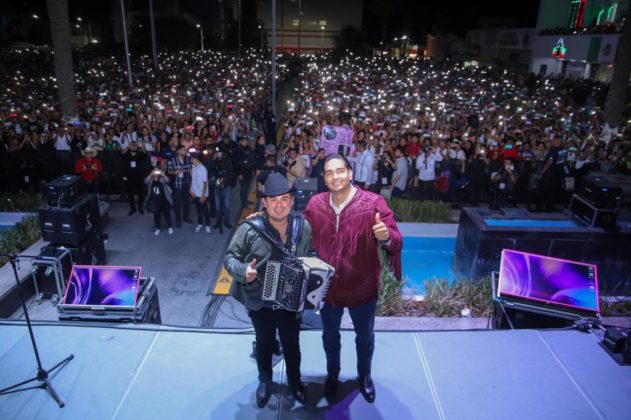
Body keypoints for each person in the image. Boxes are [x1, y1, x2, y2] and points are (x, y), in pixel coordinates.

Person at [302, 153, 402, 404]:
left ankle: (364, 375)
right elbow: (299, 233)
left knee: (364, 337)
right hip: (328, 288)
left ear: (350, 173)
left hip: (362, 286)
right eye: (329, 173)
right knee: (330, 337)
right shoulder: (315, 204)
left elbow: (397, 240)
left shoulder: (373, 203)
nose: (335, 176)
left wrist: (385, 236)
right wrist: (267, 221)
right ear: (324, 178)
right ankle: (332, 375)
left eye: (340, 171)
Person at [225, 173, 312, 408]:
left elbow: (308, 256)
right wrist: (243, 271)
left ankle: (295, 382)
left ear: (292, 201)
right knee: (263, 342)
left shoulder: (303, 227)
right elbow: (230, 258)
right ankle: (265, 381)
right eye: (273, 199)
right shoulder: (249, 229)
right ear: (264, 202)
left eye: (284, 199)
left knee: (292, 344)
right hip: (260, 301)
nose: (279, 205)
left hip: (290, 300)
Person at [166, 145, 193, 227]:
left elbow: (191, 171)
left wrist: (192, 182)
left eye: (185, 150)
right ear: (178, 151)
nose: (185, 151)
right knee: (177, 203)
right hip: (178, 185)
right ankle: (178, 220)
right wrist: (175, 172)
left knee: (186, 203)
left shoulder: (188, 159)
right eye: (184, 150)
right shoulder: (172, 160)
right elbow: (169, 171)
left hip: (187, 184)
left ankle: (186, 217)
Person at [121, 142, 149, 215]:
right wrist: (127, 147)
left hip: (139, 176)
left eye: (135, 146)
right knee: (130, 193)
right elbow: (122, 153)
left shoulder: (140, 154)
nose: (134, 147)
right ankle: (132, 208)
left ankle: (140, 207)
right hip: (129, 177)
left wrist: (142, 146)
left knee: (141, 193)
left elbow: (146, 154)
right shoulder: (126, 154)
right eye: (132, 146)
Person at [144, 168, 173, 236]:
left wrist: (164, 175)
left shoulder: (162, 178)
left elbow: (168, 181)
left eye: (157, 171)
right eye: (155, 171)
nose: (156, 172)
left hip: (164, 199)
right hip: (154, 201)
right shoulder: (150, 179)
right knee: (156, 215)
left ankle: (170, 227)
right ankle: (158, 228)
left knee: (167, 214)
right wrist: (150, 174)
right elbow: (145, 182)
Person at [190, 152, 211, 233]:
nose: (191, 159)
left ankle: (208, 225)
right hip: (195, 193)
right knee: (198, 210)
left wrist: (203, 195)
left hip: (202, 194)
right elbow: (193, 180)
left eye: (192, 158)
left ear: (196, 159)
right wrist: (191, 190)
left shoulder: (203, 169)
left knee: (205, 210)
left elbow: (205, 183)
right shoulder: (193, 168)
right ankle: (200, 223)